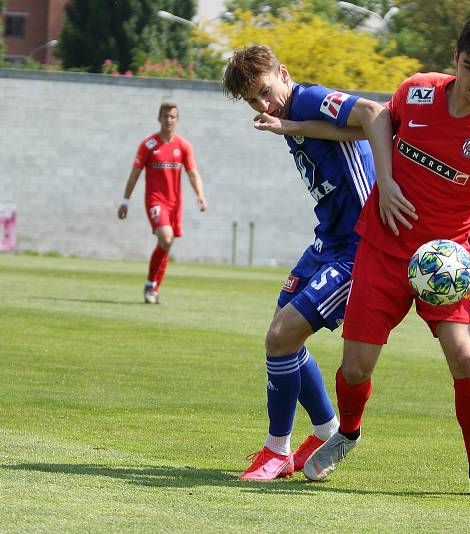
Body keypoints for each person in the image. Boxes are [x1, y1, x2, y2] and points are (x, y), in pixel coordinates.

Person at [257, 10, 470, 500]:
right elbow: (374, 124)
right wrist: (378, 176)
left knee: (465, 357)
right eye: (469, 66)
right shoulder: (418, 91)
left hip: (444, 264)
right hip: (382, 248)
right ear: (456, 59)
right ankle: (347, 432)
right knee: (357, 367)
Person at [221, 45, 387, 480]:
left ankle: (277, 450)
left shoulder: (308, 99)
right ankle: (325, 428)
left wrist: (386, 183)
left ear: (284, 72)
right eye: (252, 101)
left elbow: (375, 113)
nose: (262, 104)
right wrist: (289, 125)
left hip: (358, 246)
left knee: (280, 336)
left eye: (264, 90)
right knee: (282, 334)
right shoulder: (289, 114)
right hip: (327, 241)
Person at [117, 102, 208, 304]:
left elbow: (193, 173)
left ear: (178, 119)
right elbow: (135, 174)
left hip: (175, 204)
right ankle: (151, 286)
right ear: (158, 119)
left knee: (166, 245)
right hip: (155, 201)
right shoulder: (149, 145)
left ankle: (152, 288)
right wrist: (125, 200)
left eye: (172, 116)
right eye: (165, 116)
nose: (169, 120)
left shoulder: (183, 146)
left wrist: (200, 195)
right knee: (166, 239)